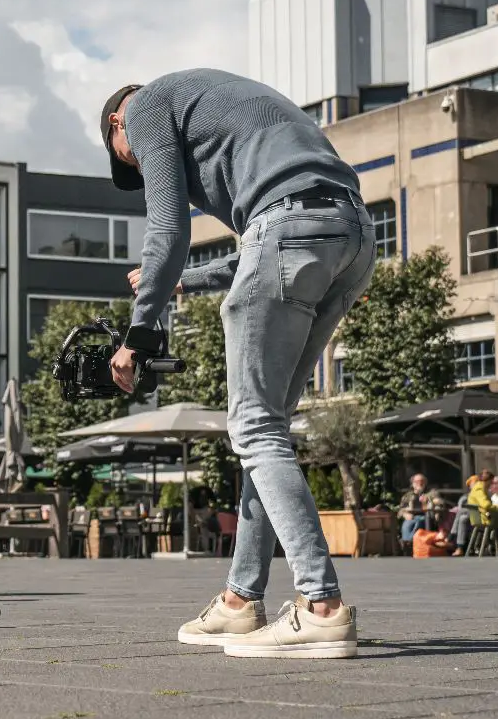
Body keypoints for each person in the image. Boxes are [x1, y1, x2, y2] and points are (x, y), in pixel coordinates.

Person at [105, 70, 372, 659]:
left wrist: (139, 335)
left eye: (132, 161)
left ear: (117, 124)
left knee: (251, 426)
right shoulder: (222, 107)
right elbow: (269, 237)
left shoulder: (146, 105)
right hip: (352, 233)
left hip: (293, 232)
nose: (143, 169)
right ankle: (239, 601)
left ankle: (320, 605)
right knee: (266, 427)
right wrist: (184, 280)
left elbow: (170, 227)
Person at [396, 473, 443, 549]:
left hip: (427, 517)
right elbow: (400, 509)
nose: (420, 483)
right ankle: (407, 544)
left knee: (419, 522)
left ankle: (409, 543)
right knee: (407, 524)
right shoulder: (408, 495)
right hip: (412, 517)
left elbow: (440, 503)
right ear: (412, 483)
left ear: (425, 483)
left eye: (422, 481)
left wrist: (432, 501)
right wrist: (405, 514)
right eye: (417, 481)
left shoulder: (431, 493)